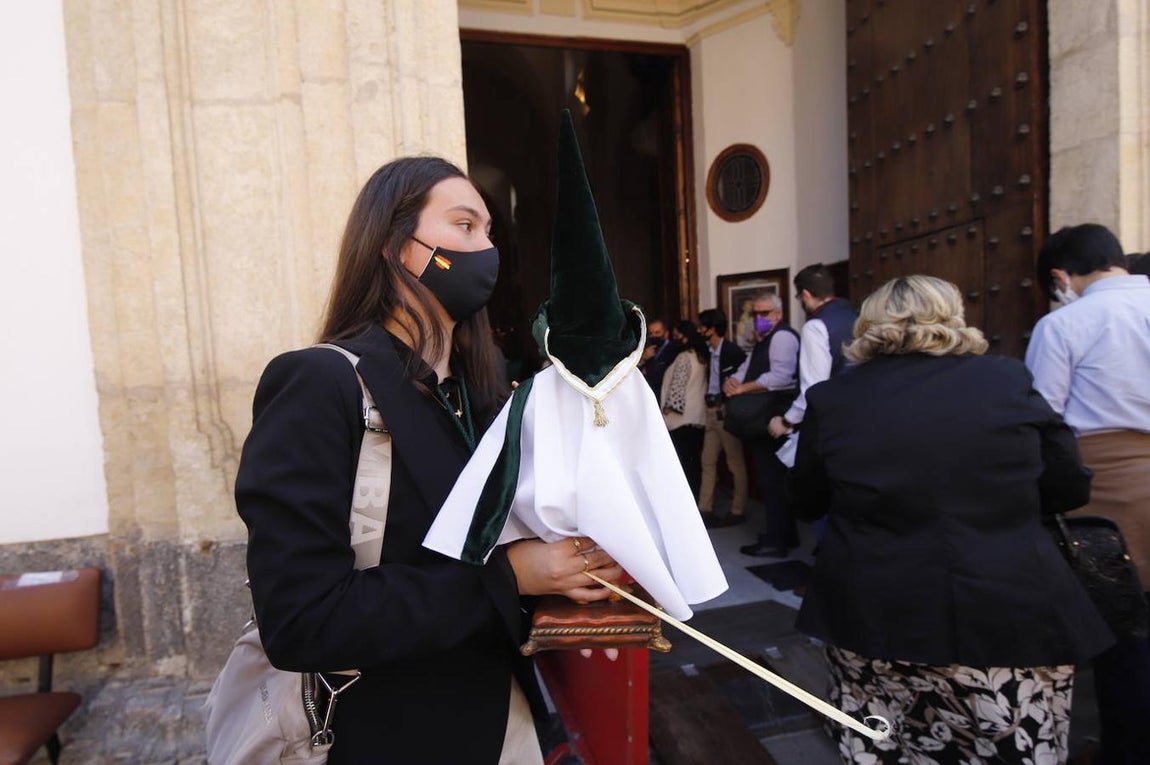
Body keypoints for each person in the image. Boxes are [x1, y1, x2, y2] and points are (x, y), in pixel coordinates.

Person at [234, 156, 625, 764]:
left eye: (491, 232)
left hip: (499, 720)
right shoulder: (321, 383)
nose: (487, 247)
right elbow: (301, 619)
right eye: (466, 226)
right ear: (396, 246)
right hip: (382, 733)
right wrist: (510, 577)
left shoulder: (480, 398)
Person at [789, 275, 1113, 764]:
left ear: (868, 325)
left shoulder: (834, 400)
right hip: (1007, 609)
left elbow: (807, 500)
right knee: (1012, 748)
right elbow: (1069, 485)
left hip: (875, 614)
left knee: (888, 746)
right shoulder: (1006, 380)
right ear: (952, 316)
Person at [1025, 223, 1150, 764]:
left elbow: (1041, 421)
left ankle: (1127, 749)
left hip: (1110, 489)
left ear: (1061, 276)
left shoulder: (1064, 323)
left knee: (1125, 630)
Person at [724, 293, 800, 556]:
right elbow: (745, 368)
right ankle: (784, 534)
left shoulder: (782, 337)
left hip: (773, 414)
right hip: (761, 414)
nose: (759, 319)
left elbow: (780, 377)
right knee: (772, 479)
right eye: (755, 314)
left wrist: (743, 388)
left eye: (764, 313)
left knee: (772, 480)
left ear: (778, 314)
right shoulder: (764, 340)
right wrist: (732, 381)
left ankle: (776, 541)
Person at [768, 263, 857, 440]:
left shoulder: (815, 326)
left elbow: (814, 388)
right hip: (860, 412)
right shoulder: (856, 315)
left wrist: (786, 421)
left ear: (806, 295)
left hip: (831, 419)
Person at [696, 308, 749, 527]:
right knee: (707, 461)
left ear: (712, 329)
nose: (699, 330)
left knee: (734, 462)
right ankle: (705, 508)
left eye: (702, 326)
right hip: (710, 411)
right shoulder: (707, 351)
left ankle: (738, 510)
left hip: (726, 411)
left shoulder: (733, 352)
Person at [660, 320, 709, 498]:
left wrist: (668, 408)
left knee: (684, 466)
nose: (675, 339)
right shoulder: (702, 357)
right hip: (698, 417)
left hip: (681, 419)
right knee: (694, 463)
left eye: (677, 335)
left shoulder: (684, 357)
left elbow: (678, 387)